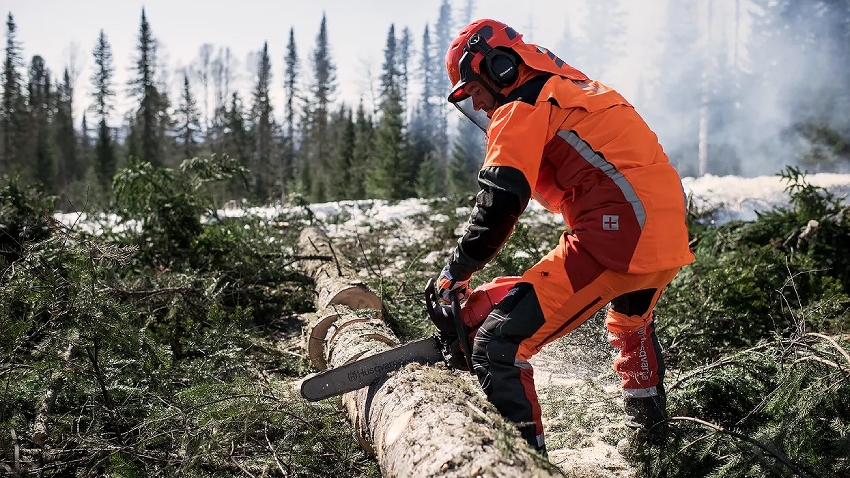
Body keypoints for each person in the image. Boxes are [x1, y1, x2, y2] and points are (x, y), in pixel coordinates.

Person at [434, 18, 695, 458]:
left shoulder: (525, 103)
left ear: (498, 68)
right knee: (630, 325)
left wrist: (455, 270)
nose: (478, 106)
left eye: (475, 90)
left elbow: (501, 198)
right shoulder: (578, 90)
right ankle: (652, 449)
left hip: (620, 234)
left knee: (499, 343)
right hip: (664, 230)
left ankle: (526, 465)